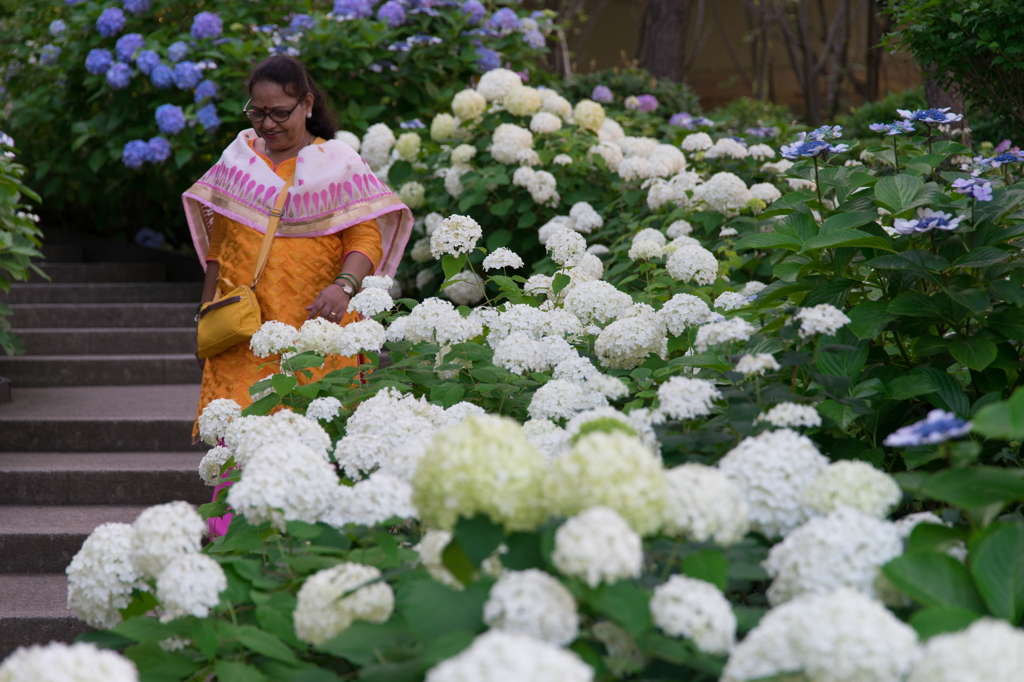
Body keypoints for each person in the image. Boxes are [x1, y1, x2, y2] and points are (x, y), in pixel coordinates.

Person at [182, 55, 412, 443]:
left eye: (280, 113)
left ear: (306, 105)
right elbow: (219, 247)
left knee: (312, 432)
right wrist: (205, 316)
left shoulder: (338, 164)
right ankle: (234, 507)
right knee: (238, 435)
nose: (267, 124)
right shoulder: (238, 160)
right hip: (242, 329)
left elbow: (364, 240)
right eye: (257, 112)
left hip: (316, 328)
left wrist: (344, 285)